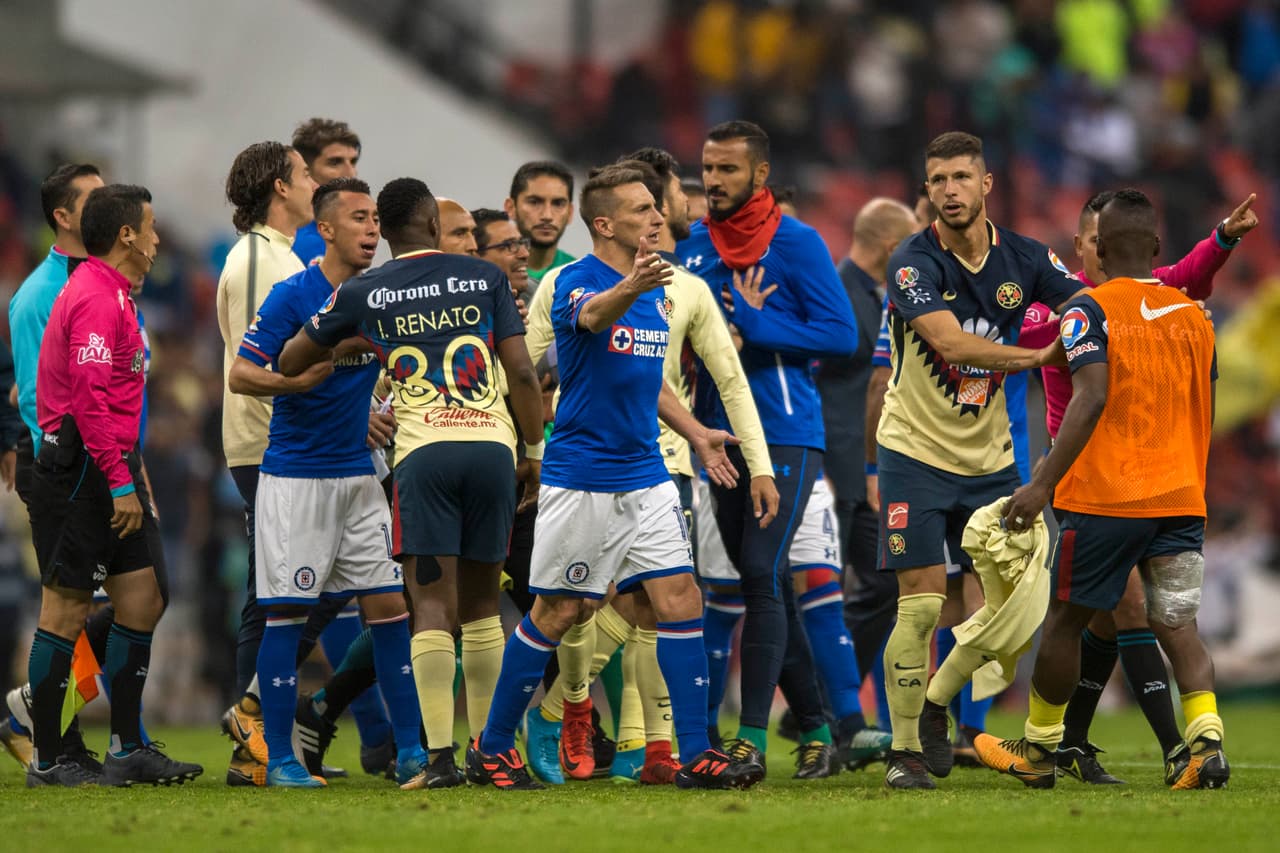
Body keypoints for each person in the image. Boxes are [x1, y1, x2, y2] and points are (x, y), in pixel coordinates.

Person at [470, 164, 763, 791]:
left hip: (647, 473)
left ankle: (692, 753)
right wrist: (632, 285)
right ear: (604, 224)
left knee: (680, 598)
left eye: (656, 209)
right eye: (641, 211)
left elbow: (646, 375)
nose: (658, 218)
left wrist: (695, 431)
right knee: (559, 610)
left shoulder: (658, 288)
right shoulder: (575, 281)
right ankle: (493, 747)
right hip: (583, 476)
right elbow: (596, 319)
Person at [279, 177, 545, 790]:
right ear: (431, 224)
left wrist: (356, 336)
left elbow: (292, 360)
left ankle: (440, 762)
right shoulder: (483, 279)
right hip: (490, 450)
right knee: (484, 609)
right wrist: (530, 450)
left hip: (424, 458)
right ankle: (492, 755)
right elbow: (523, 373)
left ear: (389, 231)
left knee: (429, 606)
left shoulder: (364, 289)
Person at [976, 188, 1226, 790]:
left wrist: (1040, 485)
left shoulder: (1087, 309)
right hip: (1181, 497)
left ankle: (1038, 751)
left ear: (1101, 247)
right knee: (1178, 625)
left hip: (1106, 496)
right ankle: (1206, 745)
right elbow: (1205, 404)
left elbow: (1089, 397)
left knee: (1066, 620)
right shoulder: (1195, 316)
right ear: (1158, 248)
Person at [875, 131, 1086, 790]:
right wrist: (1042, 357)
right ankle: (906, 749)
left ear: (987, 183)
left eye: (962, 177)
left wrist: (1114, 320)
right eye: (938, 180)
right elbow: (949, 342)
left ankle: (939, 704)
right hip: (913, 451)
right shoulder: (911, 260)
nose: (950, 191)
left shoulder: (1025, 257)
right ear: (927, 189)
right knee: (920, 603)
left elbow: (1082, 300)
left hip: (990, 461)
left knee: (1016, 604)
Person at [227, 177, 427, 788]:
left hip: (360, 478)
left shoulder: (383, 294)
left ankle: (414, 751)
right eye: (359, 218)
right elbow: (241, 373)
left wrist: (384, 403)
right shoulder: (295, 293)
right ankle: (280, 758)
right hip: (297, 478)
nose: (372, 229)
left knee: (391, 610)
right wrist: (294, 384)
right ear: (327, 229)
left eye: (376, 219)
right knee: (286, 618)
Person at [678, 120, 861, 773]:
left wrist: (756, 325)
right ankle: (819, 728)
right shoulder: (694, 245)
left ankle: (750, 740)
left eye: (728, 169)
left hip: (785, 430)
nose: (715, 180)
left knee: (759, 572)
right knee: (766, 581)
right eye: (708, 167)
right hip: (716, 434)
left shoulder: (796, 241)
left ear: (759, 174)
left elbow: (843, 335)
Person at [25, 184, 201, 787]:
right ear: (127, 234)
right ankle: (47, 760)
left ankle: (128, 748)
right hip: (81, 471)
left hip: (110, 464)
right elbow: (88, 399)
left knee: (143, 597)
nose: (157, 239)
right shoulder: (97, 298)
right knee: (65, 611)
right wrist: (119, 483)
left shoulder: (118, 297)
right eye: (150, 227)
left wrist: (127, 472)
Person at [284, 114, 396, 778]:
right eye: (331, 162)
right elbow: (270, 362)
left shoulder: (359, 258)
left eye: (355, 158)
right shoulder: (291, 260)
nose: (347, 169)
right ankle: (263, 724)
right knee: (294, 601)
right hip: (296, 448)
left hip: (357, 445)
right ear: (302, 177)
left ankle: (374, 732)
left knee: (369, 593)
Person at [215, 140, 320, 784]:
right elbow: (252, 367)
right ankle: (252, 722)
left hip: (284, 444)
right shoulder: (257, 258)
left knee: (293, 585)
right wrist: (280, 445)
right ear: (281, 187)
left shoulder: (281, 254)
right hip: (268, 447)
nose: (314, 182)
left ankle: (252, 725)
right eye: (306, 173)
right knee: (275, 591)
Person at [816, 198, 917, 748]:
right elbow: (813, 383)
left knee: (882, 580)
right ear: (887, 248)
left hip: (867, 468)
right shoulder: (837, 293)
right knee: (817, 592)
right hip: (833, 464)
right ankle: (823, 711)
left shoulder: (879, 295)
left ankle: (832, 702)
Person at [290, 118, 361, 266]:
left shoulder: (347, 234)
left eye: (353, 162)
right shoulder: (291, 239)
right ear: (305, 170)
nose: (351, 174)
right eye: (335, 162)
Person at [505, 161, 576, 285]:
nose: (547, 215)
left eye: (558, 204)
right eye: (534, 202)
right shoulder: (486, 270)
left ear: (570, 212)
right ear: (511, 208)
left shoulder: (580, 277)